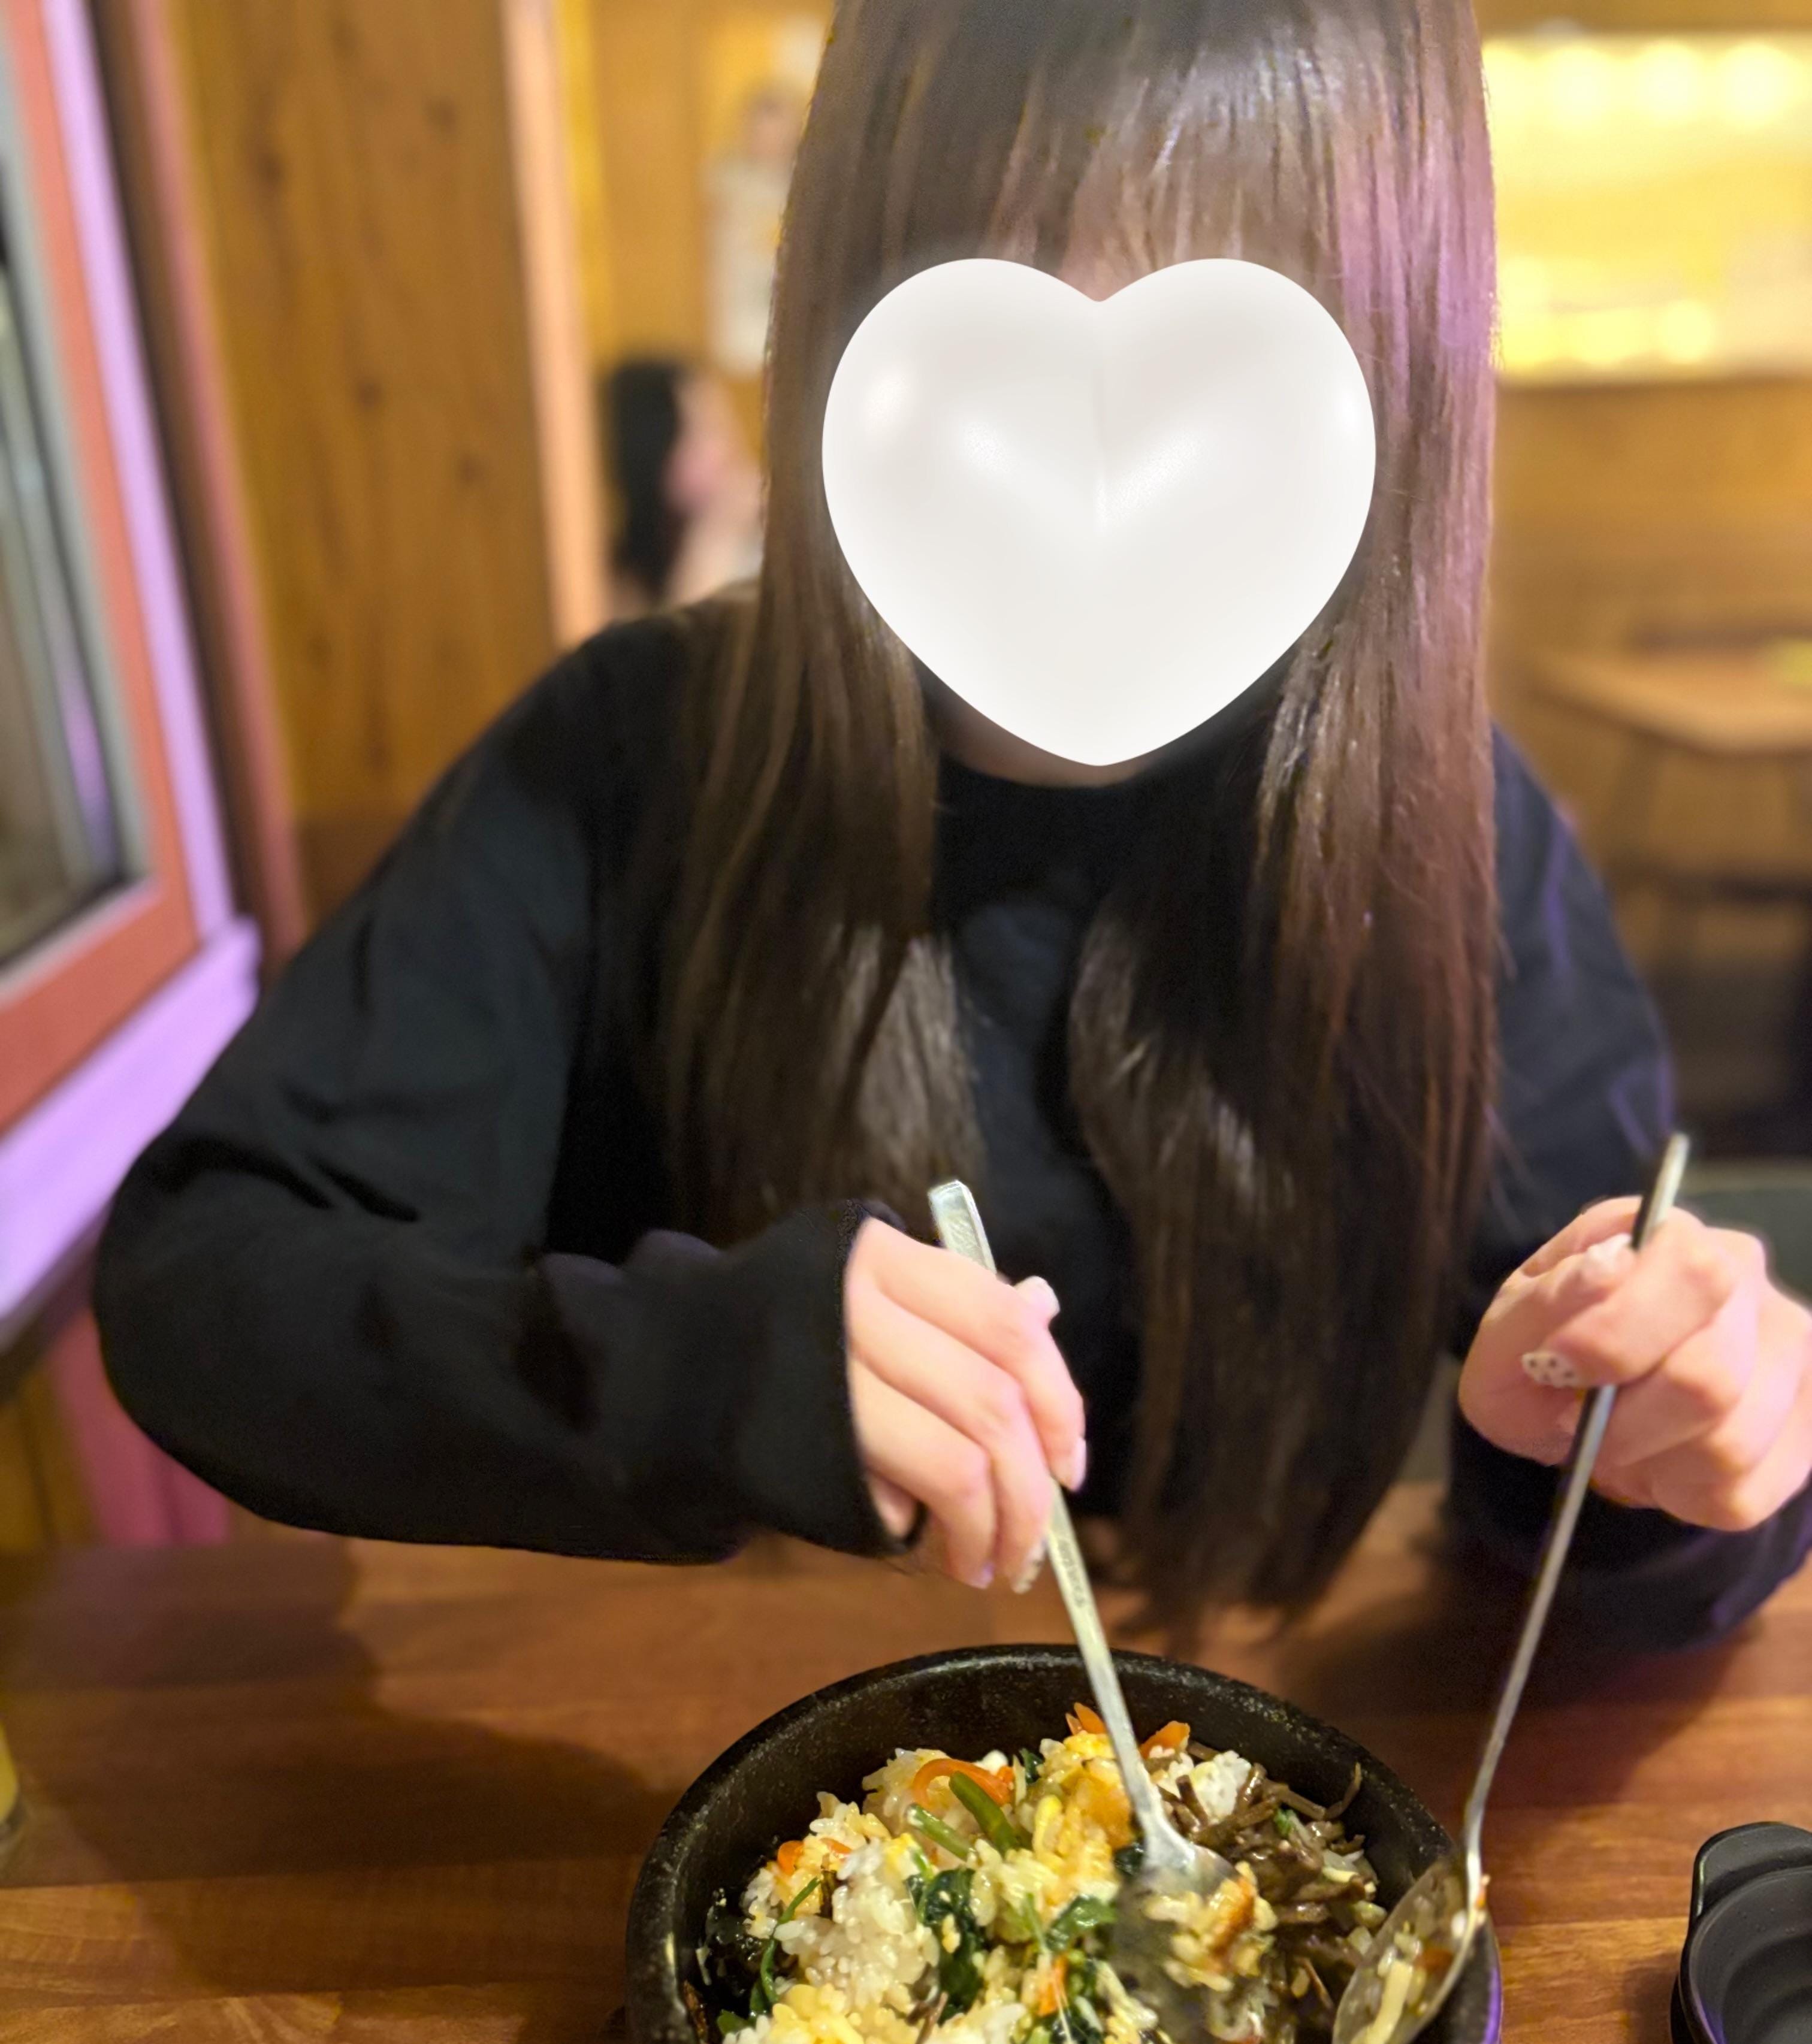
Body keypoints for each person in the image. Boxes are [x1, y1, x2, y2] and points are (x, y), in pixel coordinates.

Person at [96, 0, 1812, 1650]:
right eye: (998, 296)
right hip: (719, 1747)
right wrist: (699, 1373)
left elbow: (1617, 1491)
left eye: (1223, 342)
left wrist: (1658, 1446)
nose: (1096, 470)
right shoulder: (630, 760)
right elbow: (206, 1281)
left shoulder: (1450, 833)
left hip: (1264, 1747)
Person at [602, 358, 762, 616]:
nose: (728, 448)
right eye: (704, 431)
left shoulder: (758, 546)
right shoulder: (616, 580)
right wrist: (714, 537)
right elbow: (673, 639)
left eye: (724, 425)